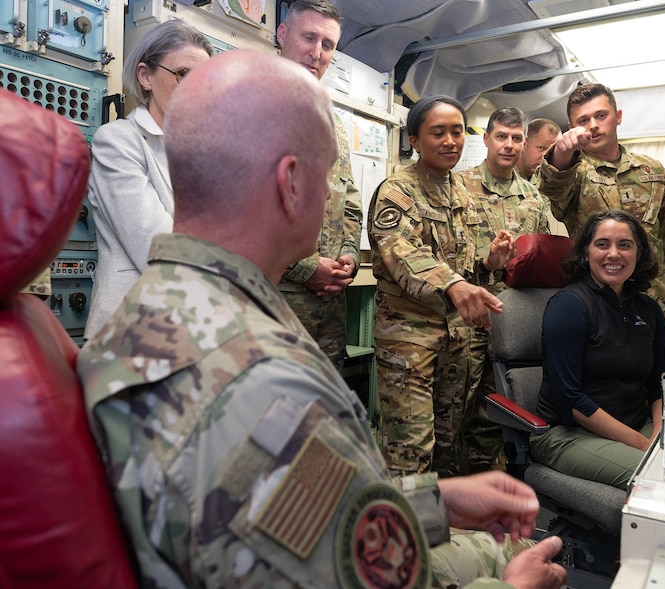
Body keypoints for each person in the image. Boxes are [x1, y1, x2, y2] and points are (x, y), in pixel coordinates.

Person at [78, 49, 567, 589]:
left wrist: (433, 502)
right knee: (523, 558)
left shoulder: (166, 306)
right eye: (328, 170)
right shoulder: (265, 378)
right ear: (290, 183)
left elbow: (286, 505)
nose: (335, 191)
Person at [368, 95, 516, 478]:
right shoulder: (397, 191)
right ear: (414, 140)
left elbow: (461, 266)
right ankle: (406, 534)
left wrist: (488, 264)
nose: (450, 140)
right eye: (438, 132)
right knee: (411, 450)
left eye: (456, 131)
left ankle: (445, 528)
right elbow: (402, 253)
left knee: (450, 444)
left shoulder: (461, 194)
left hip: (456, 340)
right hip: (410, 342)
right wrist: (454, 284)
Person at [538, 83, 665, 373]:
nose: (594, 126)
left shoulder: (653, 171)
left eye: (601, 116)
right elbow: (553, 184)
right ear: (572, 127)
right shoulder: (574, 171)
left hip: (655, 297)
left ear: (618, 116)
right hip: (599, 302)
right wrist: (562, 152)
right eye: (583, 121)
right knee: (609, 379)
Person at [83, 19, 213, 339]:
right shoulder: (118, 140)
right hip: (131, 332)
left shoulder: (204, 154)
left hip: (193, 330)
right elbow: (158, 248)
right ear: (145, 77)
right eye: (184, 75)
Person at [531, 209, 665, 489]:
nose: (614, 254)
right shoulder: (569, 306)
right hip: (569, 433)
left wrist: (658, 435)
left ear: (639, 254)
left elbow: (661, 385)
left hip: (634, 425)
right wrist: (645, 446)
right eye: (602, 244)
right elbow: (570, 400)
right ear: (585, 254)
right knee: (659, 477)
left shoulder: (649, 310)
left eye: (625, 245)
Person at [458, 107, 555, 473]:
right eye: (501, 136)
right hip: (465, 318)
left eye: (517, 138)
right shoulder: (458, 188)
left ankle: (486, 493)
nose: (509, 145)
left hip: (512, 320)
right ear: (486, 139)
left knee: (495, 411)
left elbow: (542, 260)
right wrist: (485, 263)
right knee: (454, 412)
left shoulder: (534, 197)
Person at [275, 0, 363, 370]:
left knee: (321, 412)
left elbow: (350, 202)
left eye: (328, 45)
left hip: (329, 305)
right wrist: (307, 267)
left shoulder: (333, 123)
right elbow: (240, 204)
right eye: (309, 38)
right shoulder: (253, 104)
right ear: (283, 35)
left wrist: (349, 259)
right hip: (276, 298)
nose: (317, 53)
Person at [516, 118, 561, 184]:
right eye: (541, 148)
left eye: (552, 152)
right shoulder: (502, 173)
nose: (545, 157)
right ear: (524, 144)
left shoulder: (541, 182)